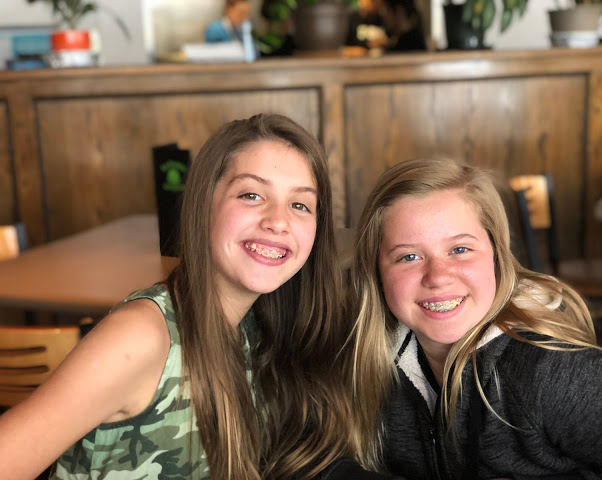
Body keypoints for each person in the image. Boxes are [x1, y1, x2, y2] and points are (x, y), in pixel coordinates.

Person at [0, 114, 358, 480]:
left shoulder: (259, 325)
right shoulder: (140, 338)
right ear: (203, 205)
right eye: (251, 195)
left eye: (300, 205)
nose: (278, 221)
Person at [347, 157, 602, 479]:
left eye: (460, 249)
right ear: (376, 272)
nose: (438, 277)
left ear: (498, 256)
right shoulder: (361, 361)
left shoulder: (555, 373)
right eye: (409, 256)